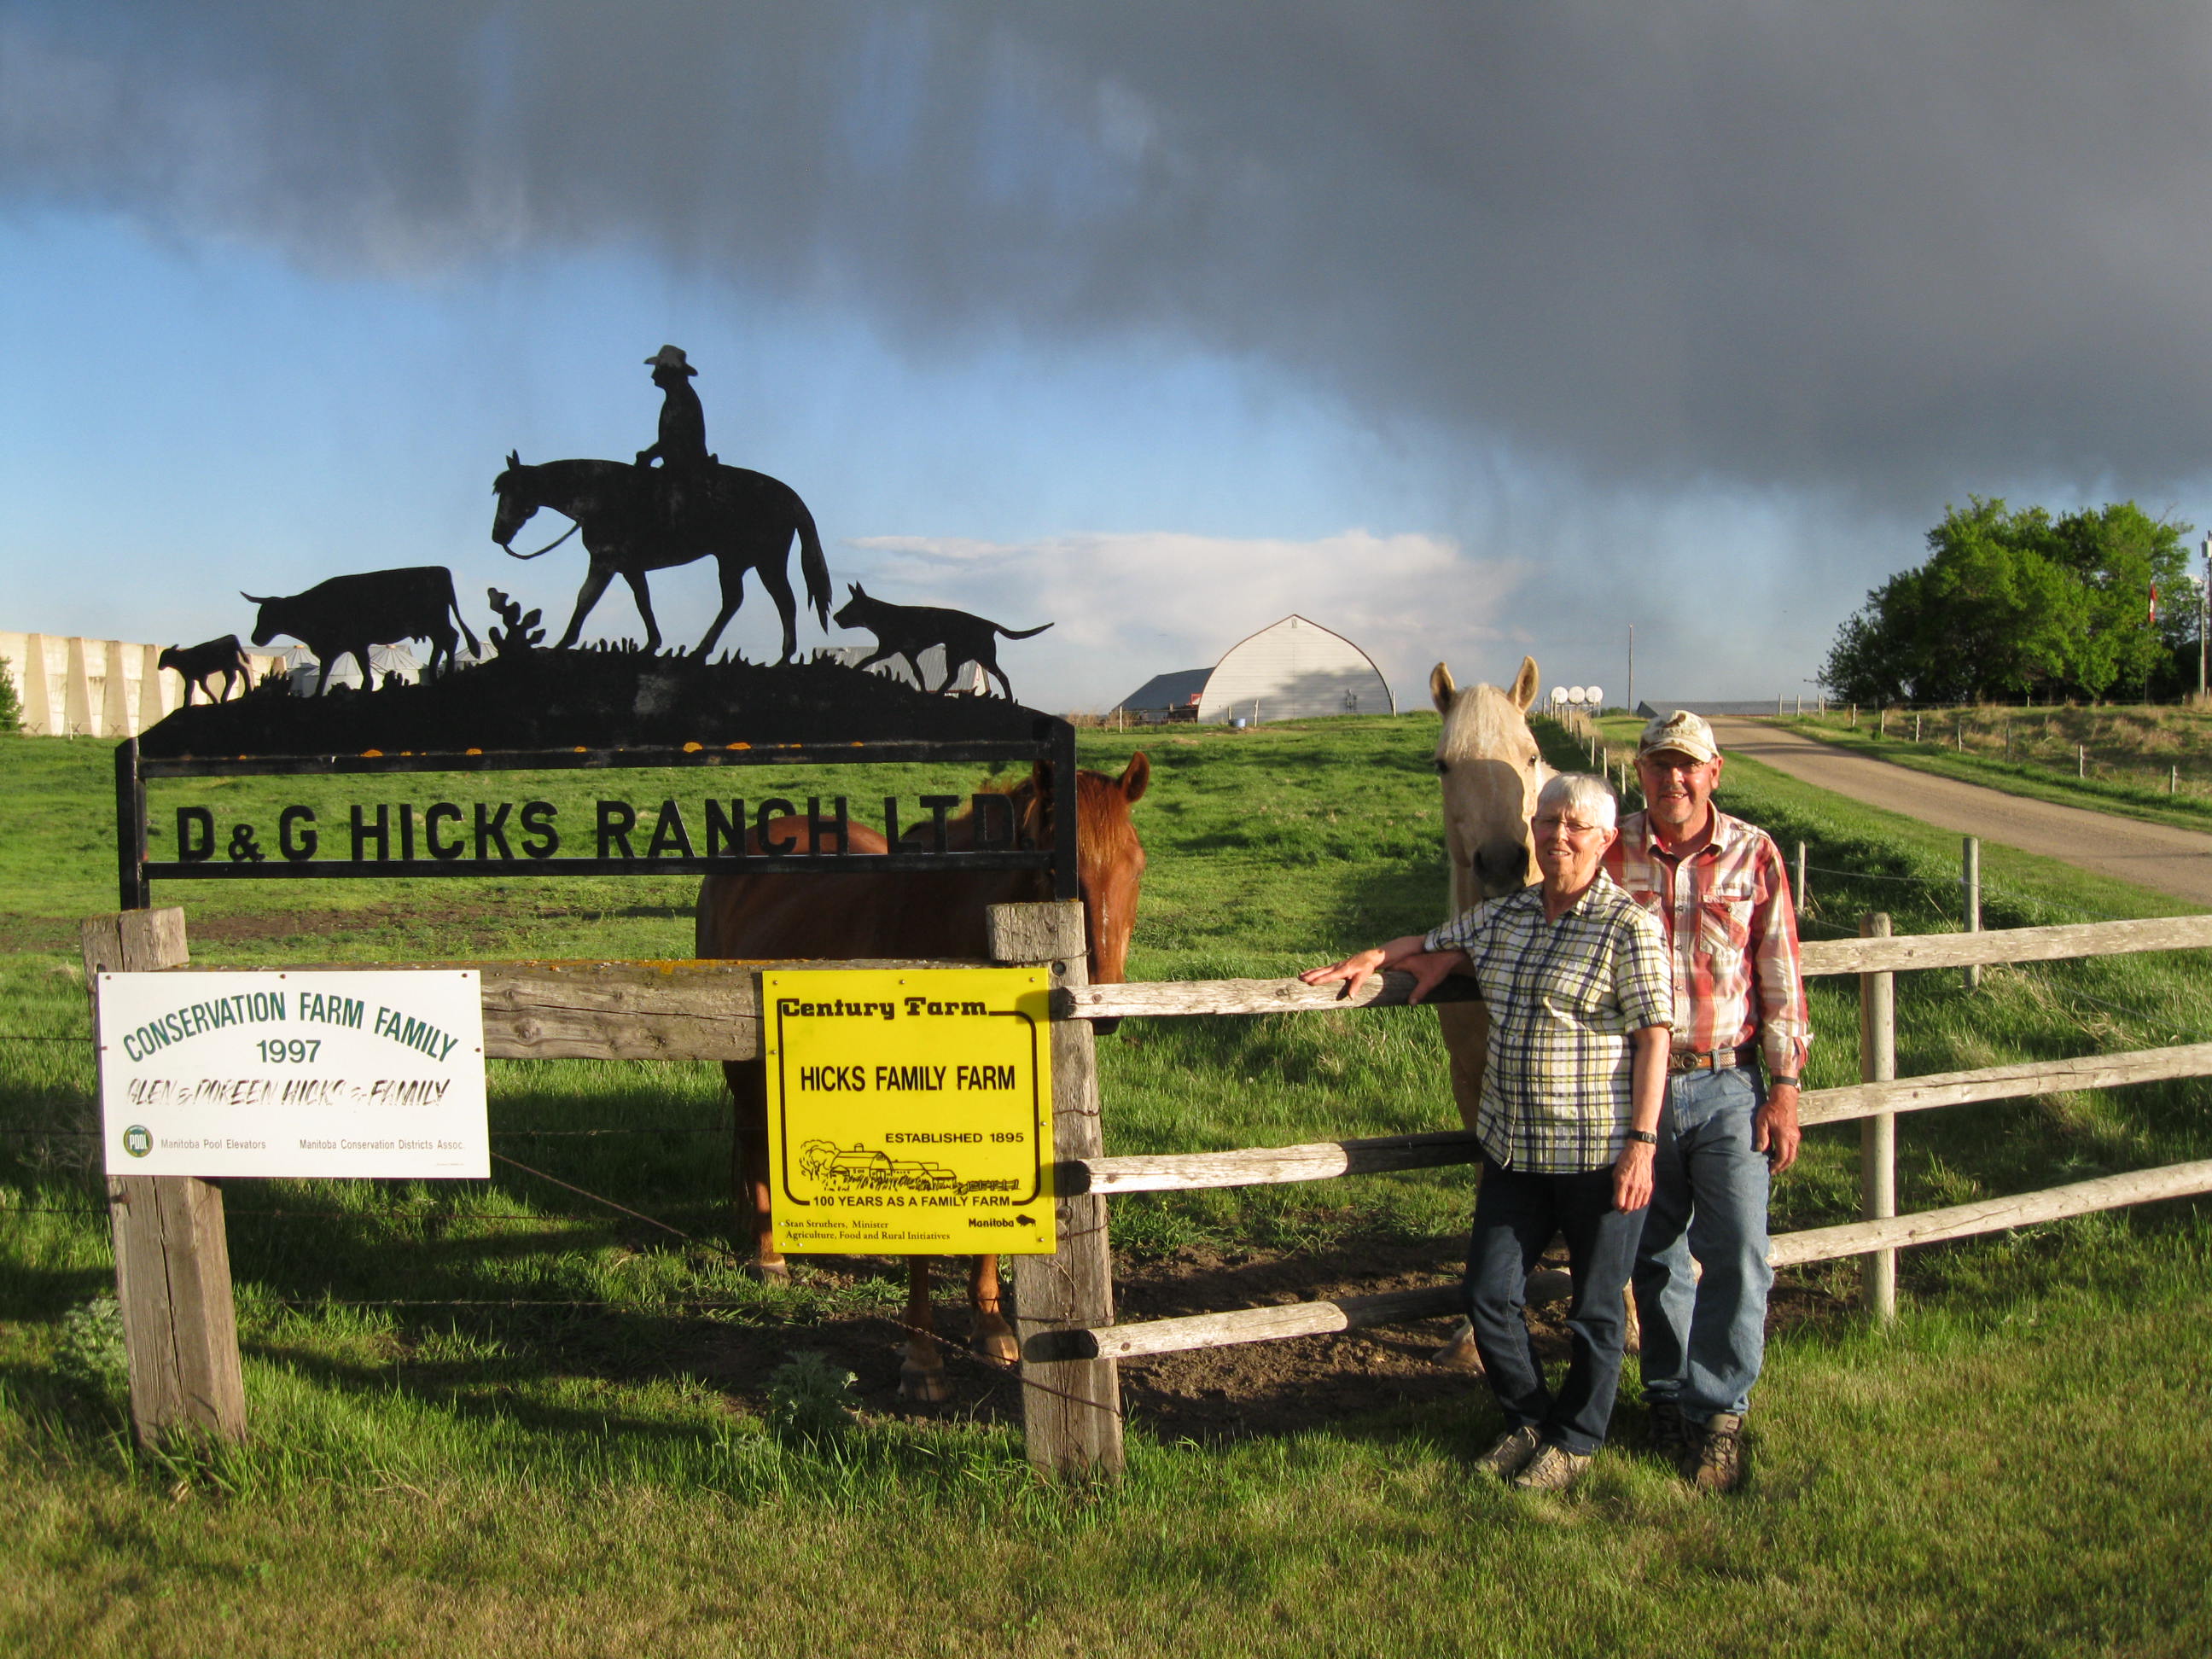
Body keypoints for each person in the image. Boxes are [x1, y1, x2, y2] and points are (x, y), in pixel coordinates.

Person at [1302, 773, 1671, 1493]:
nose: (1556, 836)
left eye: (1573, 825)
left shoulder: (1630, 926)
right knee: (1488, 1295)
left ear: (1602, 839)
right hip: (1515, 1154)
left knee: (1596, 1311)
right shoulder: (1506, 917)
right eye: (1546, 822)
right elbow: (1429, 939)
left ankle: (1578, 1439)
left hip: (1598, 1156)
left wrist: (1643, 1144)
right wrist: (1376, 957)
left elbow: (1655, 1037)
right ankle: (1530, 1421)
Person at [1609, 709, 1809, 1493]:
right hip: (1640, 1086)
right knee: (1653, 1254)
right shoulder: (1611, 848)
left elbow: (1780, 976)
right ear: (1641, 772)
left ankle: (1719, 1411)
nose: (1673, 779)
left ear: (1713, 773)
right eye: (1660, 765)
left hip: (1729, 1082)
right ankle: (1668, 1397)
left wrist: (1784, 1087)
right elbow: (1541, 912)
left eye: (1687, 766)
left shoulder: (1755, 853)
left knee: (1739, 1254)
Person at [636, 344, 716, 526]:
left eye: (658, 369)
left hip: (684, 466)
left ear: (669, 371)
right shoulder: (677, 397)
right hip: (678, 463)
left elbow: (675, 439)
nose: (654, 375)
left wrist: (648, 455)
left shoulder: (680, 398)